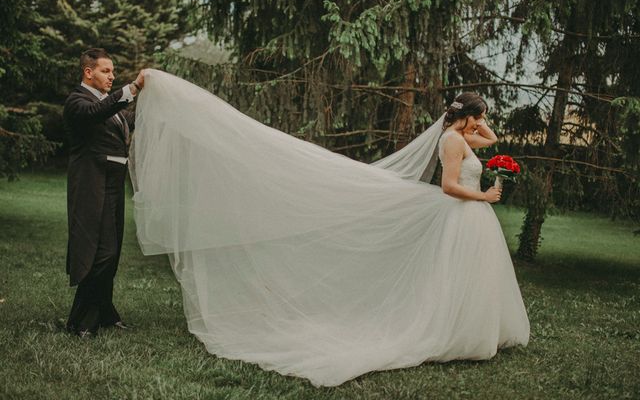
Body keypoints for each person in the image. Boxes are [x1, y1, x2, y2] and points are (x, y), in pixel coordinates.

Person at [130, 70, 530, 386]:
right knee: (460, 278)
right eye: (481, 116)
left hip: (473, 218)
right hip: (464, 214)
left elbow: (491, 140)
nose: (485, 124)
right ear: (468, 116)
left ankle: (477, 333)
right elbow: (448, 187)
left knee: (474, 279)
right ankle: (459, 335)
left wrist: (482, 127)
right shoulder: (452, 142)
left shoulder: (462, 135)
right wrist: (484, 198)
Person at [63, 48, 145, 338]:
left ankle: (105, 313)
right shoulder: (77, 101)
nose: (111, 76)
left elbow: (127, 120)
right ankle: (83, 320)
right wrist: (132, 87)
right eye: (105, 71)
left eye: (113, 71)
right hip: (90, 185)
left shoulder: (110, 105)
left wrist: (153, 99)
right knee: (99, 252)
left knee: (111, 251)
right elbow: (95, 113)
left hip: (112, 183)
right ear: (88, 72)